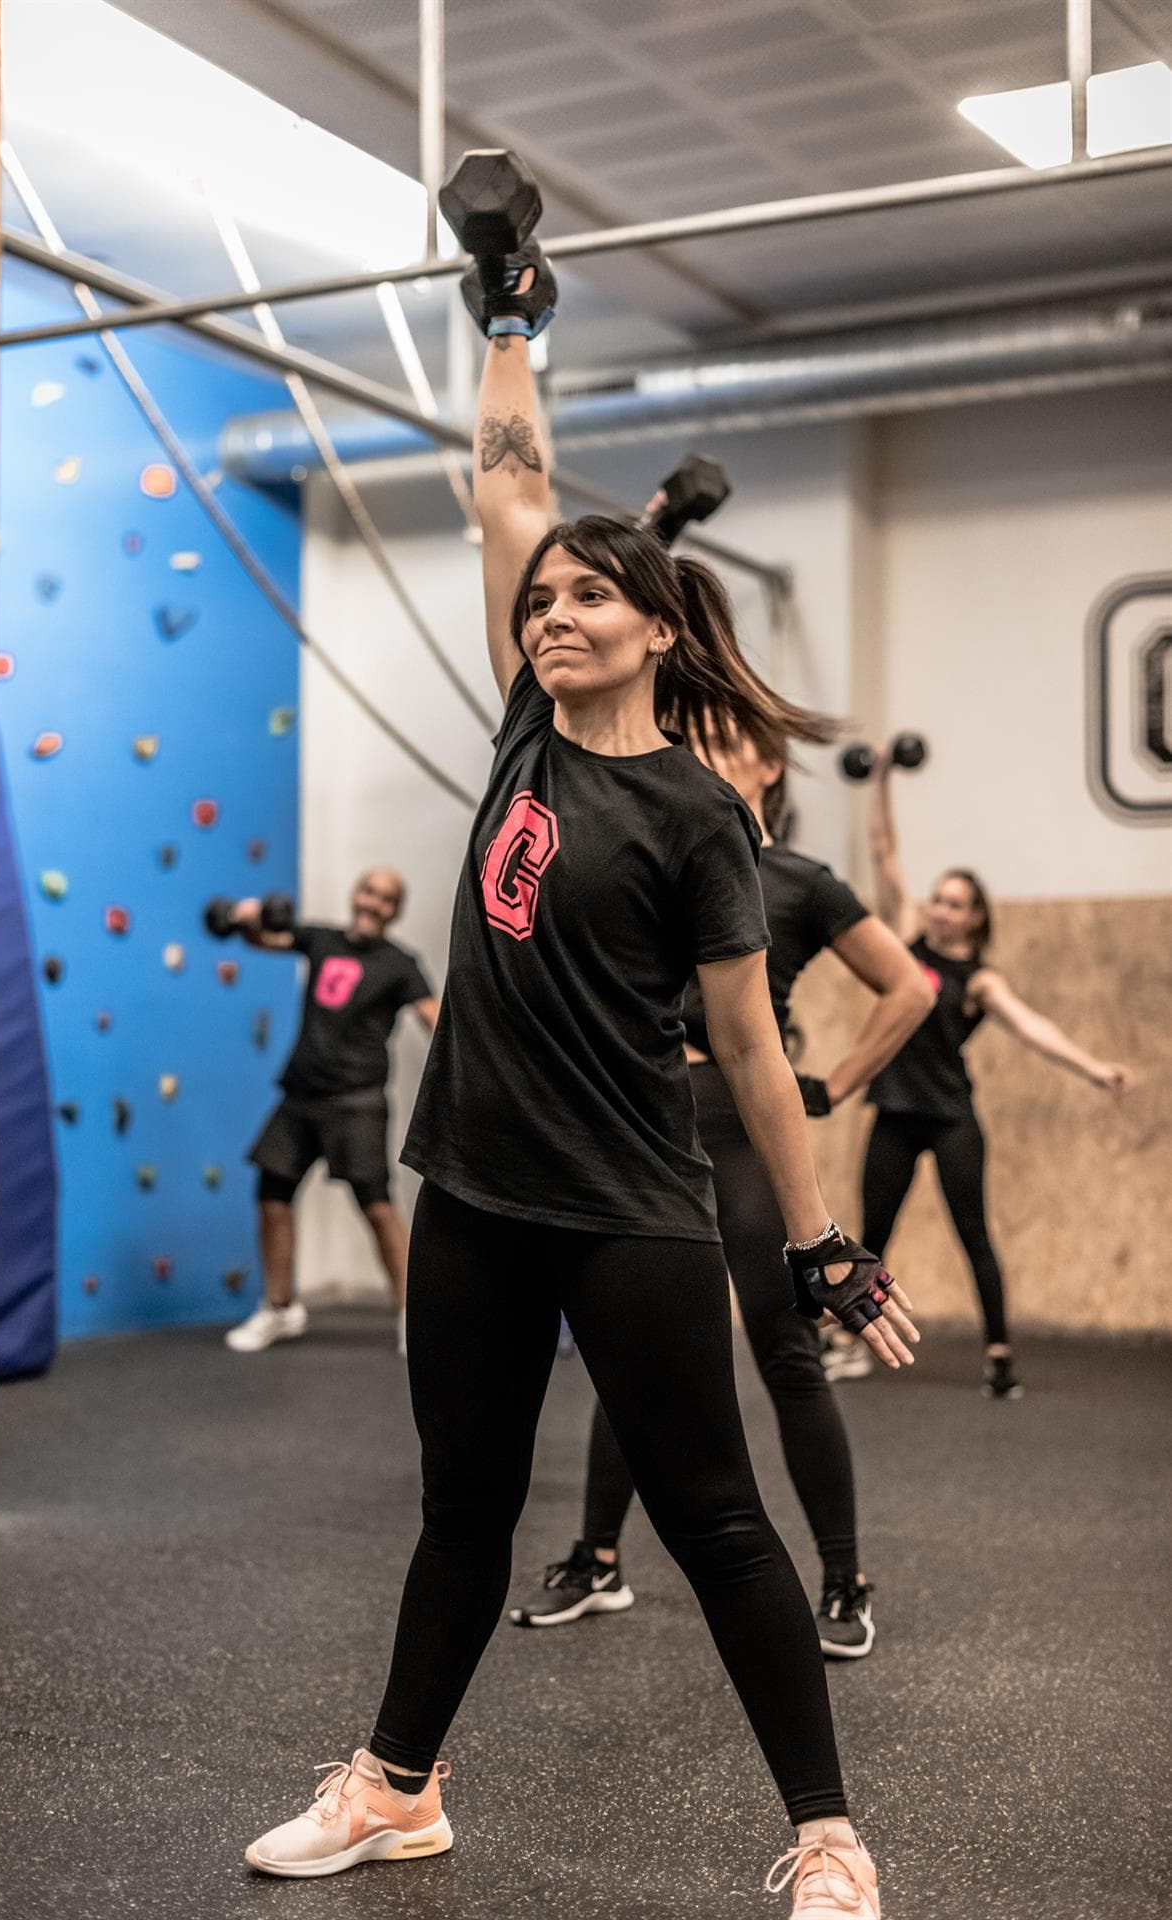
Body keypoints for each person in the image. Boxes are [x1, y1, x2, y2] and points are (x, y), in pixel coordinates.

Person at [242, 247, 919, 1919]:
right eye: (539, 601)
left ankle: (828, 1833)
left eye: (584, 598)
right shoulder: (517, 740)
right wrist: (506, 316)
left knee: (713, 1519)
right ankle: (397, 1788)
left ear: (654, 628)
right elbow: (508, 489)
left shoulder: (703, 820)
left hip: (629, 1212)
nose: (549, 611)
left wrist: (818, 1244)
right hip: (471, 1196)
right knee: (460, 1511)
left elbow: (754, 1054)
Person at [512, 716, 934, 1658]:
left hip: (741, 1130)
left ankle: (843, 1580)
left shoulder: (799, 881)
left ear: (769, 762)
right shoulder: (658, 849)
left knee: (787, 1355)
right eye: (689, 736)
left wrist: (837, 1083)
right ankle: (599, 1559)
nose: (699, 750)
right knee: (632, 1353)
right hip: (645, 1128)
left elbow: (909, 988)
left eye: (722, 739)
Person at [854, 748, 1133, 1399]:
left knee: (974, 1233)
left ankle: (1000, 1354)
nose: (942, 909)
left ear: (976, 916)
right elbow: (884, 856)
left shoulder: (978, 979)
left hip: (951, 1116)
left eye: (956, 904)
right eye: (939, 900)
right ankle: (849, 1340)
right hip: (895, 1111)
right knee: (873, 1236)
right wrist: (881, 779)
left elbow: (1034, 1027)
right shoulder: (903, 943)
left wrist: (1095, 1070)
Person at [223, 870, 438, 1355]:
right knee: (272, 1195)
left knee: (377, 1206)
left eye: (386, 898)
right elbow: (265, 940)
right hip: (300, 1096)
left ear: (395, 911)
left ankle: (412, 1315)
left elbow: (432, 1017)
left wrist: (474, 1062)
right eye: (368, 891)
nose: (373, 902)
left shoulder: (401, 964)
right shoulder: (320, 939)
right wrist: (246, 919)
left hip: (357, 1101)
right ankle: (280, 1309)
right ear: (354, 894)